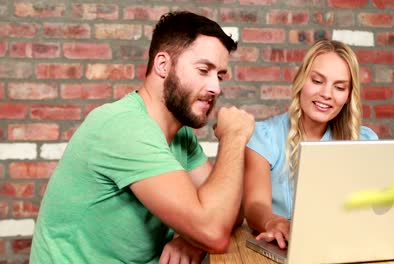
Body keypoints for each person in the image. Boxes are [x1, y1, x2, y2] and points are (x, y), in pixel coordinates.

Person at [30, 11, 255, 263]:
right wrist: (234, 136)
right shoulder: (125, 127)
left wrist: (192, 239)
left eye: (220, 75)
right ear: (163, 65)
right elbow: (214, 231)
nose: (216, 87)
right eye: (204, 70)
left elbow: (229, 213)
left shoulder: (181, 135)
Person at [243, 39, 378, 249]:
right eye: (317, 81)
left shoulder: (365, 141)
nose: (326, 94)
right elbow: (254, 206)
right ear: (301, 81)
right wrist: (273, 222)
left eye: (339, 87)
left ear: (348, 96)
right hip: (283, 248)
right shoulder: (264, 137)